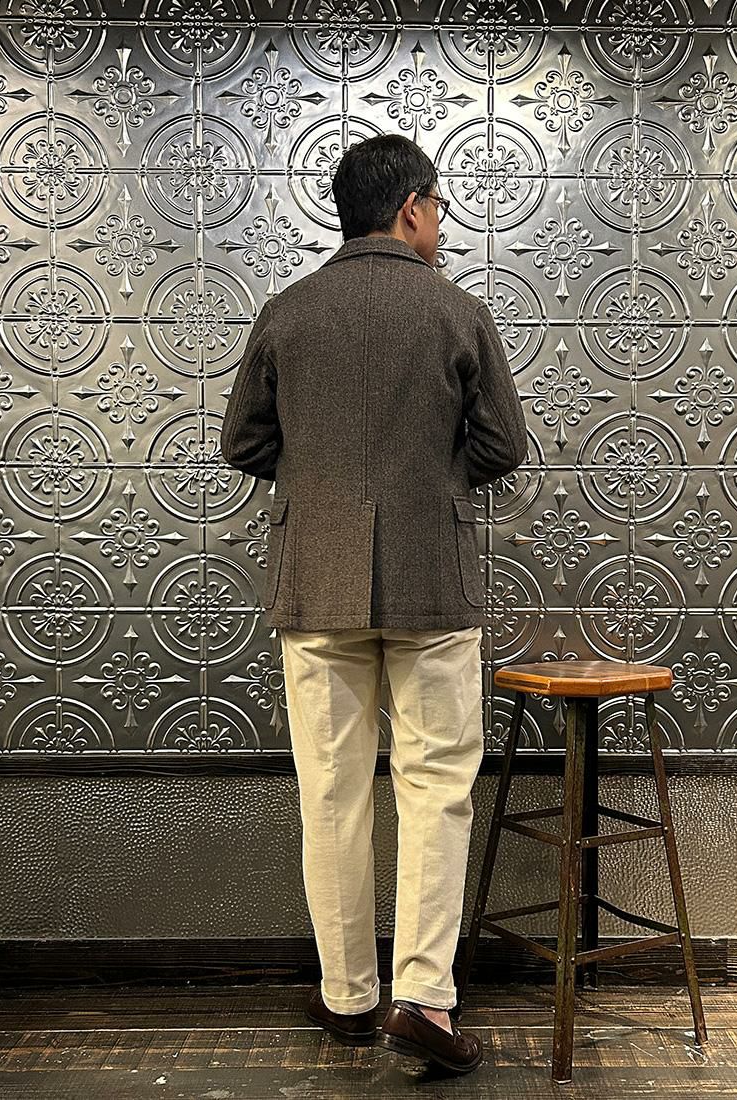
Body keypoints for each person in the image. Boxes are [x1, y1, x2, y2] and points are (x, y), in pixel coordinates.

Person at [218, 133, 528, 1075]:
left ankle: (348, 996)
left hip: (314, 581)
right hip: (433, 580)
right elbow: (503, 446)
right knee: (436, 791)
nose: (441, 224)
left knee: (331, 793)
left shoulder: (287, 312)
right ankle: (425, 1001)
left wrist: (319, 480)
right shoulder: (457, 310)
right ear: (410, 209)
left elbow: (243, 443)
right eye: (438, 206)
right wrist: (431, 481)